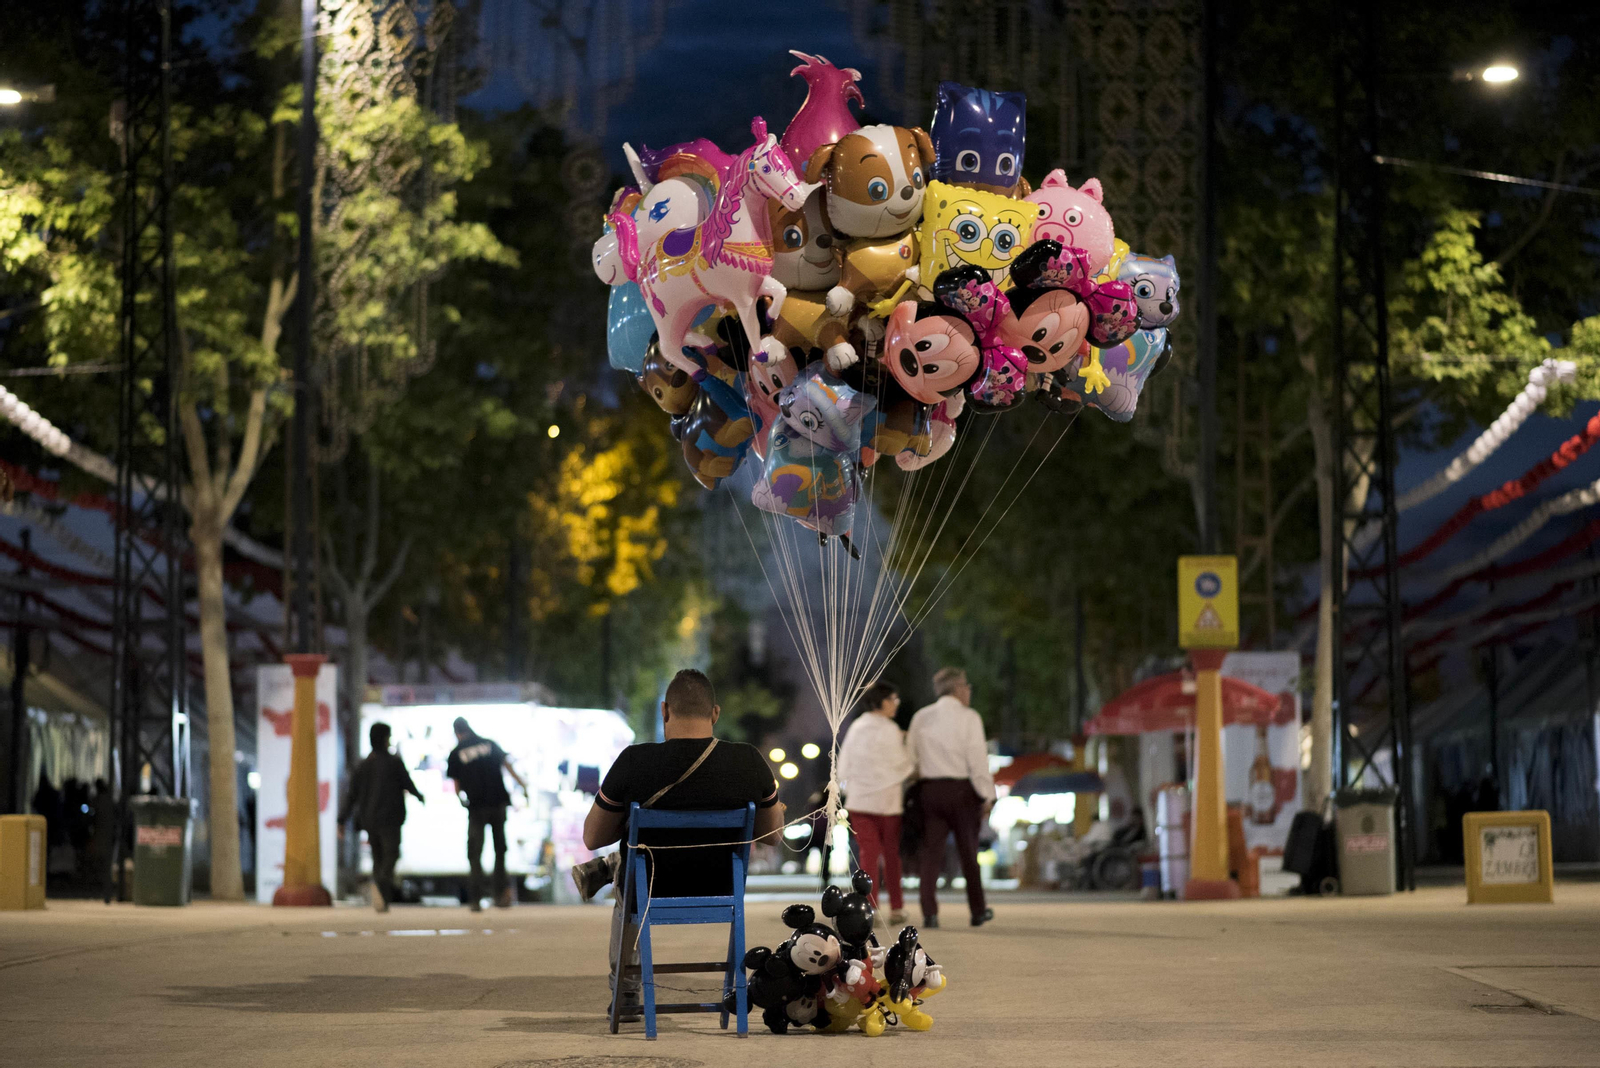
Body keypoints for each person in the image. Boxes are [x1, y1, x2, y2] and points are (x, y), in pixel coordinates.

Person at [581, 668, 786, 1020]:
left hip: (650, 889)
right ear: (715, 713)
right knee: (629, 872)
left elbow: (592, 837)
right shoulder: (748, 761)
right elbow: (773, 835)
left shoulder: (634, 761)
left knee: (628, 880)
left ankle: (627, 993)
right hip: (722, 886)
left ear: (664, 711)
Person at [906, 667, 996, 928]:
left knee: (931, 852)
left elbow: (911, 758)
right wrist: (987, 796)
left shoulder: (921, 717)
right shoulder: (969, 717)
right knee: (968, 851)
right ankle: (978, 909)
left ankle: (929, 912)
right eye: (967, 686)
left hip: (930, 790)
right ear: (957, 688)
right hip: (961, 791)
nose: (969, 691)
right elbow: (977, 760)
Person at [836, 680, 913, 923]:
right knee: (891, 855)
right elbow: (904, 765)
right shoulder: (891, 730)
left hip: (860, 802)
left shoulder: (857, 728)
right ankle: (897, 907)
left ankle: (869, 907)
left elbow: (843, 767)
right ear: (882, 701)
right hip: (889, 803)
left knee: (868, 854)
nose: (896, 704)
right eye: (893, 699)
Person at [338, 721, 425, 912]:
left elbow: (351, 795)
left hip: (370, 820)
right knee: (391, 855)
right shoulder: (394, 762)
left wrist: (341, 820)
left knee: (378, 858)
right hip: (390, 819)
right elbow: (407, 783)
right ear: (385, 738)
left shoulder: (362, 766)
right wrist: (420, 796)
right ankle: (381, 885)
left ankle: (382, 899)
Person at [446, 716, 528, 911]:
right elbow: (507, 765)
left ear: (457, 733)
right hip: (498, 802)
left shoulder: (457, 752)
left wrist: (461, 799)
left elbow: (456, 784)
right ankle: (500, 895)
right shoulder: (489, 744)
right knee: (500, 850)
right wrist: (522, 785)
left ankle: (475, 899)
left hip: (476, 806)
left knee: (475, 852)